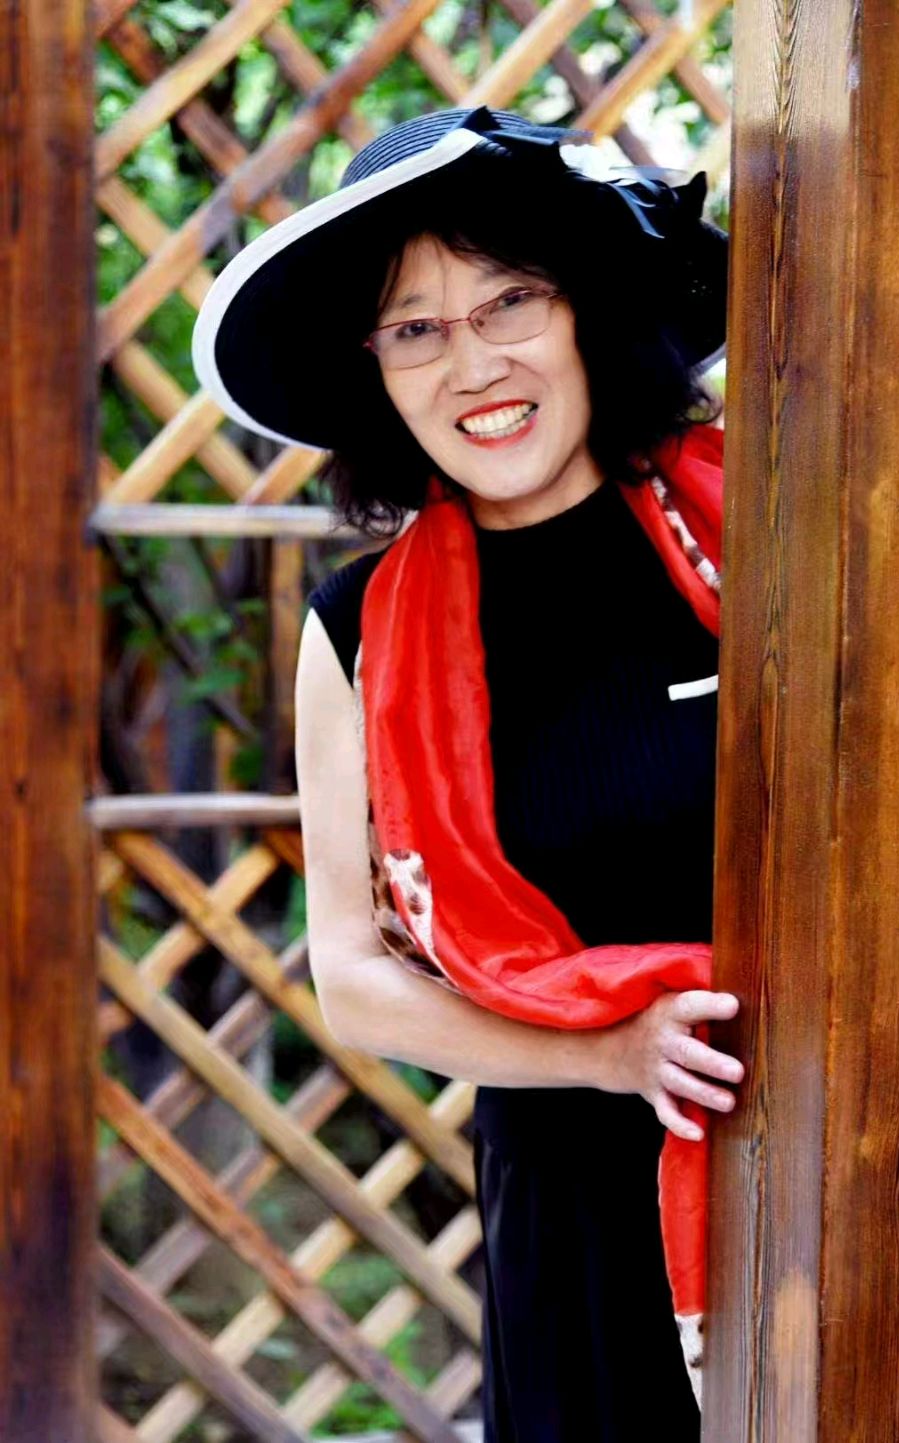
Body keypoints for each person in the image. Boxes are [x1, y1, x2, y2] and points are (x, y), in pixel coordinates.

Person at [192, 105, 746, 1442]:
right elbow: (355, 980)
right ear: (374, 372)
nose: (474, 363)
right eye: (416, 328)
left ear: (586, 311)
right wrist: (611, 1053)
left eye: (511, 301)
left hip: (846, 1148)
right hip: (576, 1199)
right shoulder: (356, 631)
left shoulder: (763, 530)